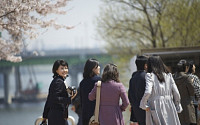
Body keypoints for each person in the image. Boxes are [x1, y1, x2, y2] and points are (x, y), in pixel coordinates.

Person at [140, 55, 182, 125]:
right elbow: (176, 92)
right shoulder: (169, 75)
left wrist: (143, 104)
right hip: (169, 104)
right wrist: (177, 105)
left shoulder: (150, 76)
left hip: (155, 105)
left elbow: (148, 91)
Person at [41, 59, 76, 125]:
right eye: (62, 68)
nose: (65, 70)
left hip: (54, 115)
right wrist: (70, 98)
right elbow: (55, 98)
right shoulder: (59, 82)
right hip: (58, 116)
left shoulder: (56, 80)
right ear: (56, 70)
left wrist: (45, 116)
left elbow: (49, 99)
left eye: (66, 68)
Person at [173, 59, 196, 125]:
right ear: (186, 68)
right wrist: (191, 82)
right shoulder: (187, 78)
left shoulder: (172, 77)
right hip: (187, 105)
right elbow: (192, 92)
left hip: (176, 106)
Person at [79, 58, 101, 125]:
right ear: (93, 68)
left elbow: (82, 100)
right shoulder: (99, 81)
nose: (99, 67)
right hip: (97, 115)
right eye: (98, 66)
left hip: (85, 115)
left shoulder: (82, 82)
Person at [128, 55, 148, 125]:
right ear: (145, 65)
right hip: (147, 109)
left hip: (136, 110)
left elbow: (130, 95)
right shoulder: (147, 76)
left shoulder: (133, 78)